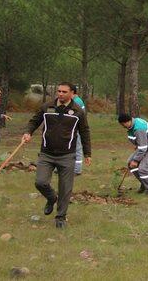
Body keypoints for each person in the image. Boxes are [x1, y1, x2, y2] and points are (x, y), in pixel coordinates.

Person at [22, 82, 91, 229]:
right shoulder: (47, 107)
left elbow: (85, 132)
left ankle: (60, 217)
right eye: (59, 91)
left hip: (67, 155)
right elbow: (34, 121)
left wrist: (87, 153)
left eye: (64, 92)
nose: (60, 94)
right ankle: (51, 197)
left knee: (65, 188)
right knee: (40, 182)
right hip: (46, 153)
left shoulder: (78, 111)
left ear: (72, 94)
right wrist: (28, 132)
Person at [117, 114, 148, 194]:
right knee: (129, 163)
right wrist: (138, 144)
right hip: (145, 146)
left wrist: (136, 160)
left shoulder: (138, 128)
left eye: (122, 124)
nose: (122, 126)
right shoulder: (133, 123)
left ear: (127, 121)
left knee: (143, 168)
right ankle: (145, 184)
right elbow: (142, 142)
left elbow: (143, 147)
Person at [70, 85, 87, 175]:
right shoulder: (76, 100)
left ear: (72, 92)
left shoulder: (76, 102)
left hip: (76, 128)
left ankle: (77, 170)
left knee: (77, 148)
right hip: (72, 128)